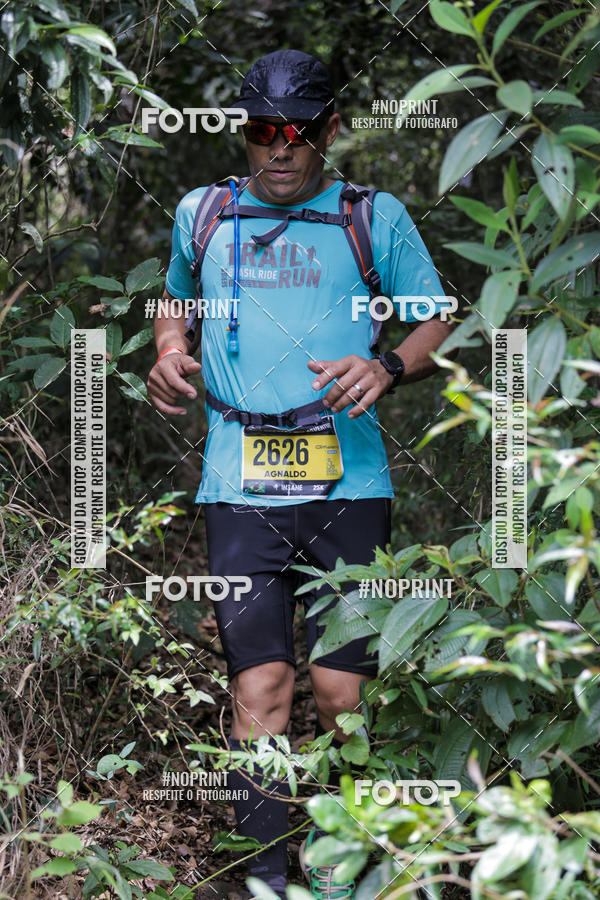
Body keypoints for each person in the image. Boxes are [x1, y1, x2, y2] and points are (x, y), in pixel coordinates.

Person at [147, 49, 453, 900]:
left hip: (348, 486)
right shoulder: (203, 214)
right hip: (239, 483)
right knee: (262, 685)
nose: (279, 149)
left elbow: (438, 318)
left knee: (342, 688)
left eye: (299, 132)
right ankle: (264, 877)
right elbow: (176, 299)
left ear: (330, 131)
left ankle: (355, 867)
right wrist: (171, 352)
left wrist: (391, 366)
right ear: (241, 133)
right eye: (260, 131)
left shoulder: (372, 216)